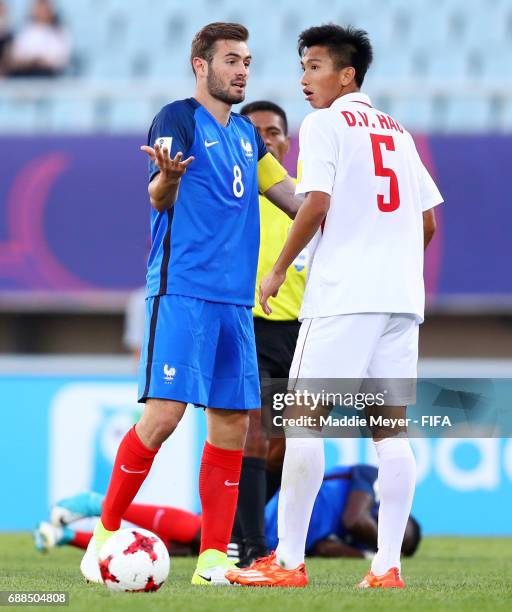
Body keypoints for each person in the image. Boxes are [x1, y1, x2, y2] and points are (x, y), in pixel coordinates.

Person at [80, 22, 300, 587]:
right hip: (182, 291)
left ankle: (211, 561)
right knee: (163, 417)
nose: (242, 70)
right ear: (200, 65)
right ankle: (104, 533)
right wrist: (169, 179)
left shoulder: (250, 138)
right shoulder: (178, 118)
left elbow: (294, 199)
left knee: (230, 423)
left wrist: (348, 202)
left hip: (235, 304)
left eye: (247, 61)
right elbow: (158, 190)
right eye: (231, 60)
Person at [228, 24, 442, 589]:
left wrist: (277, 270)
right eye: (302, 68)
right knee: (390, 432)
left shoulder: (326, 124)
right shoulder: (398, 132)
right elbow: (427, 221)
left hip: (345, 297)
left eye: (315, 67)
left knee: (302, 423)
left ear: (347, 75)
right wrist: (390, 265)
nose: (304, 79)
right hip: (401, 301)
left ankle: (288, 562)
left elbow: (316, 202)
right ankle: (387, 566)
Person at [34, 465, 421, 561]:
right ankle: (96, 504)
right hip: (266, 505)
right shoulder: (368, 482)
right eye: (399, 535)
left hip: (270, 538)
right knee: (201, 530)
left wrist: (365, 554)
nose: (393, 540)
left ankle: (68, 537)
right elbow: (356, 520)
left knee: (182, 551)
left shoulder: (351, 541)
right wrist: (379, 550)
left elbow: (321, 549)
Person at [232, 101, 307, 566]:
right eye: (255, 133)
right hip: (250, 326)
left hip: (303, 332)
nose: (265, 140)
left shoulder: (304, 197)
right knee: (253, 434)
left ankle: (238, 527)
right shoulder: (232, 197)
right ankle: (253, 547)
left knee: (287, 445)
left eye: (273, 132)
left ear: (285, 140)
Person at [7, 0, 71, 77]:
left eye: (44, 9)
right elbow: (16, 56)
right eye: (39, 9)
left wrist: (42, 61)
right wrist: (30, 61)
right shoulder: (25, 32)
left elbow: (62, 59)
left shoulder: (59, 32)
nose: (41, 12)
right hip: (25, 72)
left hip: (49, 74)